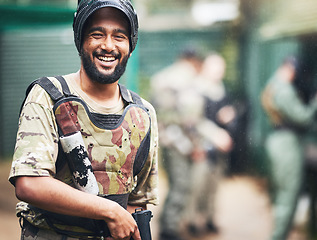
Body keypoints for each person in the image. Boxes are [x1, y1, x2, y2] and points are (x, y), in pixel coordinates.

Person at [8, 1, 159, 239]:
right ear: (81, 40)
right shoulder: (48, 96)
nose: (108, 46)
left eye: (119, 36)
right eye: (97, 34)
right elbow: (29, 183)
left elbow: (137, 202)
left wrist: (123, 222)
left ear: (131, 45)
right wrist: (109, 211)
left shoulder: (143, 114)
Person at [261, 56, 317, 240]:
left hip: (280, 141)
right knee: (288, 194)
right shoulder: (283, 89)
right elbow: (304, 118)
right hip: (286, 143)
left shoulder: (274, 84)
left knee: (282, 193)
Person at [150, 49, 203, 240]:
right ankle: (169, 229)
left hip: (166, 138)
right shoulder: (187, 79)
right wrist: (196, 145)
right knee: (181, 185)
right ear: (194, 61)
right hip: (182, 142)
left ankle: (166, 223)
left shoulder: (161, 78)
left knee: (174, 183)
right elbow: (190, 118)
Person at [185, 53, 236, 236]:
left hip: (218, 149)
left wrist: (228, 117)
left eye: (221, 69)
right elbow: (193, 121)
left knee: (214, 185)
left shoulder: (220, 89)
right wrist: (216, 135)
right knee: (197, 185)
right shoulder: (196, 89)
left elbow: (225, 114)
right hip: (201, 146)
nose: (219, 73)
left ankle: (209, 219)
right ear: (206, 68)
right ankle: (191, 221)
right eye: (216, 68)